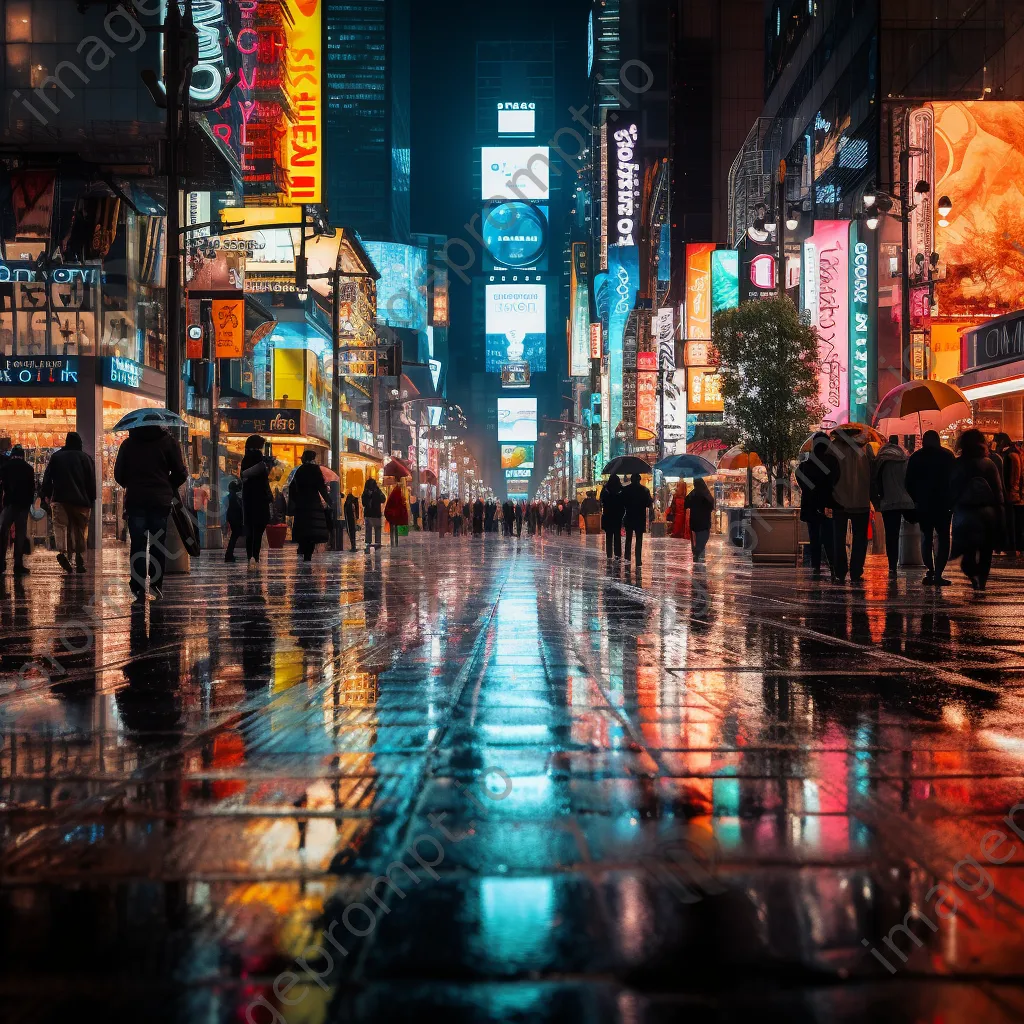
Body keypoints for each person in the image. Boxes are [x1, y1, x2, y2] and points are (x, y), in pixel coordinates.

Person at [113, 425, 188, 600]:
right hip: (160, 501)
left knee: (138, 544)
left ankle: (138, 586)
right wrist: (168, 485)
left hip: (136, 500)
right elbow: (180, 472)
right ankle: (156, 586)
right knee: (157, 544)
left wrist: (130, 484)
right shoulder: (169, 442)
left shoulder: (128, 444)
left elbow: (118, 474)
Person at [950, 428, 1005, 592]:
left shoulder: (958, 463)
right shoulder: (990, 464)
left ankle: (973, 575)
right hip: (988, 514)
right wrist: (1001, 513)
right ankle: (982, 582)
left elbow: (952, 489)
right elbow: (999, 491)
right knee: (986, 551)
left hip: (965, 515)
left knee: (968, 552)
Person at [40, 431, 95, 573]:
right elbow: (91, 482)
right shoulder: (86, 458)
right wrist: (91, 499)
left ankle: (63, 553)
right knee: (80, 529)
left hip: (60, 498)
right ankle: (79, 556)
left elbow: (47, 478)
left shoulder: (56, 457)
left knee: (61, 527)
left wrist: (46, 495)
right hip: (81, 501)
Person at [905, 429, 956, 586]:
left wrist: (916, 499)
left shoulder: (916, 458)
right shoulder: (948, 456)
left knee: (926, 537)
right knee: (943, 538)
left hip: (924, 505)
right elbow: (955, 480)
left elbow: (908, 483)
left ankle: (931, 570)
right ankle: (939, 572)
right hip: (944, 505)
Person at [823, 429, 873, 583]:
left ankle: (840, 570)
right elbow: (873, 472)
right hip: (862, 499)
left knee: (838, 537)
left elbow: (828, 475)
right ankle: (856, 571)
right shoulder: (866, 447)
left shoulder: (832, 448)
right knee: (860, 538)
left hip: (840, 499)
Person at [873, 435, 916, 579]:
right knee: (912, 531)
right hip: (904, 501)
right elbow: (909, 481)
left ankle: (892, 566)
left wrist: (876, 501)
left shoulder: (879, 462)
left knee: (891, 535)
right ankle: (914, 556)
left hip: (888, 502)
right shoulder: (904, 460)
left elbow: (875, 484)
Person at [796, 433, 833, 577]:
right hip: (827, 505)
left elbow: (800, 478)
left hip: (811, 505)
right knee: (829, 536)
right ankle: (833, 565)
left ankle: (816, 565)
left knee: (814, 537)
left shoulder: (806, 465)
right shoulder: (831, 463)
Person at [0, 444, 35, 576]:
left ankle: (1, 562)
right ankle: (18, 564)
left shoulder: (5, 468)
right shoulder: (29, 469)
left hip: (9, 504)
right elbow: (32, 488)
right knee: (20, 534)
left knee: (3, 531)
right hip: (23, 506)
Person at [290, 451, 331, 562]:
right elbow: (321, 487)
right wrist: (329, 501)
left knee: (303, 528)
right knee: (313, 530)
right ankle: (308, 554)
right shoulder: (315, 470)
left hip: (302, 504)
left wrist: (295, 500)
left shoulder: (299, 470)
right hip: (313, 503)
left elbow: (292, 488)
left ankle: (303, 549)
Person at [239, 435, 273, 566]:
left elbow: (244, 477)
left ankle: (250, 557)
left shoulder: (245, 459)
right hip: (260, 500)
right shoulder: (259, 459)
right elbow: (263, 481)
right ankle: (256, 556)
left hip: (248, 499)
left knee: (250, 530)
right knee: (258, 530)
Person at [994, 433, 1022, 555]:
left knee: (1012, 524)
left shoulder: (1009, 456)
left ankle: (1011, 547)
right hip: (1016, 495)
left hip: (1012, 495)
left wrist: (1009, 492)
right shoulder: (1015, 454)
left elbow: (1010, 478)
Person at [621, 472, 654, 567]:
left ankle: (627, 558)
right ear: (639, 479)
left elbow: (622, 503)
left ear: (631, 480)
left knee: (628, 539)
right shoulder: (645, 490)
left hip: (629, 516)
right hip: (640, 517)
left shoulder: (626, 490)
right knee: (639, 539)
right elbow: (649, 504)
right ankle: (638, 560)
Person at [684, 478, 715, 562]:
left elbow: (686, 504)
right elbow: (712, 505)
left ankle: (697, 553)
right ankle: (698, 553)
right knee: (703, 539)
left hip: (694, 521)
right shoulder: (706, 493)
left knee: (696, 539)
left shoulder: (693, 493)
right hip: (704, 522)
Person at [600, 473, 624, 559]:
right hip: (617, 516)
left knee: (609, 536)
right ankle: (617, 554)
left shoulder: (605, 490)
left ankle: (609, 554)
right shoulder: (621, 490)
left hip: (608, 516)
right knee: (617, 535)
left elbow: (601, 501)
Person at [362, 477, 385, 548]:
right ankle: (377, 543)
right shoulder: (378, 491)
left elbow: (363, 503)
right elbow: (383, 499)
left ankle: (368, 543)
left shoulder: (365, 492)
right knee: (377, 529)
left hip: (368, 514)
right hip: (376, 514)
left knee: (368, 530)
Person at [224, 481, 244, 562]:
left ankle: (229, 554)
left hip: (232, 519)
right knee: (234, 536)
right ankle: (229, 555)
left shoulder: (229, 497)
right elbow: (239, 508)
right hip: (236, 519)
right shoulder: (235, 498)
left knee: (234, 536)